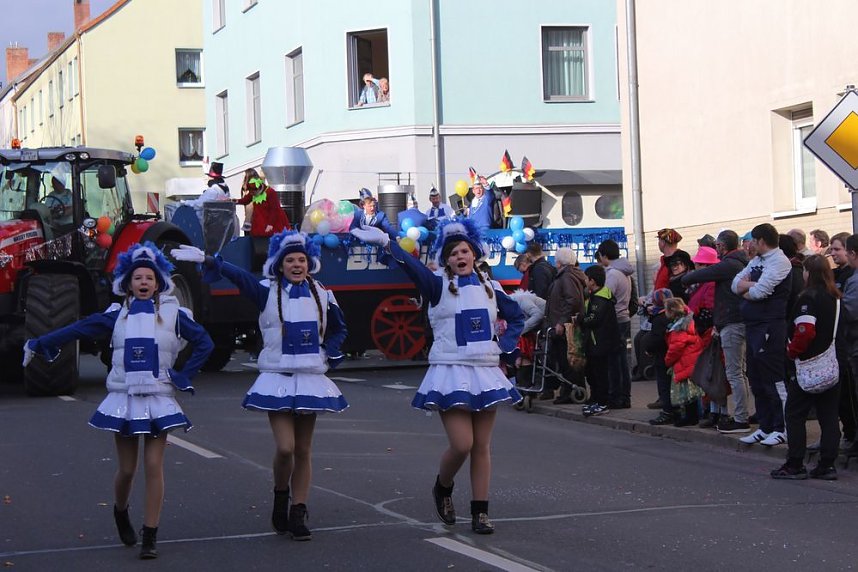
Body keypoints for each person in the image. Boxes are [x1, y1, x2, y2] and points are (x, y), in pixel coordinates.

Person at [22, 242, 213, 559]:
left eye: (149, 278)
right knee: (128, 469)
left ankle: (150, 534)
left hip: (158, 398)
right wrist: (41, 342)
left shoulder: (174, 314)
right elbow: (76, 329)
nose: (143, 283)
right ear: (127, 283)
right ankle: (121, 510)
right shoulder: (116, 315)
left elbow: (204, 342)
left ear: (158, 283)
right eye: (137, 277)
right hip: (124, 398)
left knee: (154, 465)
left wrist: (184, 375)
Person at [350, 217, 524, 534]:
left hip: (485, 371)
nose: (460, 257)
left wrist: (505, 345)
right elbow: (412, 267)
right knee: (462, 444)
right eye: (453, 253)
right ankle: (443, 486)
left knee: (482, 447)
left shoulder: (491, 288)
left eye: (464, 251)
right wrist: (388, 242)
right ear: (446, 259)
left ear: (475, 254)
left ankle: (480, 512)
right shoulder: (436, 285)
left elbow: (516, 318)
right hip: (450, 372)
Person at [173, 231, 348, 541]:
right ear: (279, 265)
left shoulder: (322, 293)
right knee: (286, 448)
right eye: (290, 260)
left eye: (301, 260)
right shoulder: (266, 292)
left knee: (304, 449)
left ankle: (299, 510)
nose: (296, 264)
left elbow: (338, 329)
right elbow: (241, 278)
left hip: (309, 376)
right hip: (276, 379)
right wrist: (211, 260)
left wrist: (329, 352)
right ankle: (281, 494)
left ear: (310, 264)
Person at [771, 254, 842, 480]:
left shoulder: (808, 298)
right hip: (831, 365)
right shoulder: (834, 298)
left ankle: (795, 463)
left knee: (794, 414)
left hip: (808, 365)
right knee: (829, 416)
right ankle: (827, 465)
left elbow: (805, 331)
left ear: (809, 273)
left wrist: (792, 352)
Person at [681, 230, 752, 433]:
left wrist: (686, 278)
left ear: (722, 246)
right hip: (731, 322)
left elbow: (704, 274)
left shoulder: (729, 264)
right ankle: (736, 414)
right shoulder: (739, 262)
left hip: (732, 322)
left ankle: (740, 418)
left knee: (734, 373)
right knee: (736, 372)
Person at [732, 223, 792, 447]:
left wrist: (746, 290)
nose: (749, 245)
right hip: (753, 325)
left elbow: (758, 292)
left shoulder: (779, 262)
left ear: (761, 241)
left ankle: (782, 428)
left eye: (751, 241)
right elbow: (734, 284)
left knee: (773, 379)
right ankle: (765, 426)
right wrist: (747, 287)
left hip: (770, 327)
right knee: (756, 379)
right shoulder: (757, 261)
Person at [541, 247, 587, 404]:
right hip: (565, 325)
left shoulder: (566, 277)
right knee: (568, 359)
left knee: (566, 359)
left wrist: (561, 322)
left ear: (559, 262)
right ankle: (573, 390)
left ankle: (569, 392)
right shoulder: (570, 275)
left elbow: (571, 300)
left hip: (564, 327)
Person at [576, 264, 621, 417]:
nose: (585, 282)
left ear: (592, 281)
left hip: (600, 343)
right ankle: (596, 399)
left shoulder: (600, 298)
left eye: (586, 279)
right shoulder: (594, 296)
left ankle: (603, 402)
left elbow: (593, 319)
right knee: (593, 373)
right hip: (594, 342)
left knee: (601, 374)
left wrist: (580, 319)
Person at [596, 239, 634, 409]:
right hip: (624, 318)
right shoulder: (625, 273)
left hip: (615, 320)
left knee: (615, 362)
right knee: (623, 361)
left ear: (604, 256)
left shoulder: (612, 274)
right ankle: (625, 396)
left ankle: (616, 396)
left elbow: (605, 297)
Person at [663, 297, 705, 427]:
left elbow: (675, 348)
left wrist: (667, 361)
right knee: (693, 392)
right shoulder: (688, 322)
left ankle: (690, 418)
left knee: (687, 394)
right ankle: (695, 415)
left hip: (684, 362)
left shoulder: (678, 328)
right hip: (691, 360)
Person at [644, 288, 676, 425]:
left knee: (664, 385)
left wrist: (649, 348)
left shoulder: (659, 318)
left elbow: (656, 339)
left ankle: (667, 411)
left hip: (662, 356)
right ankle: (677, 409)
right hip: (674, 354)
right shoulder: (676, 314)